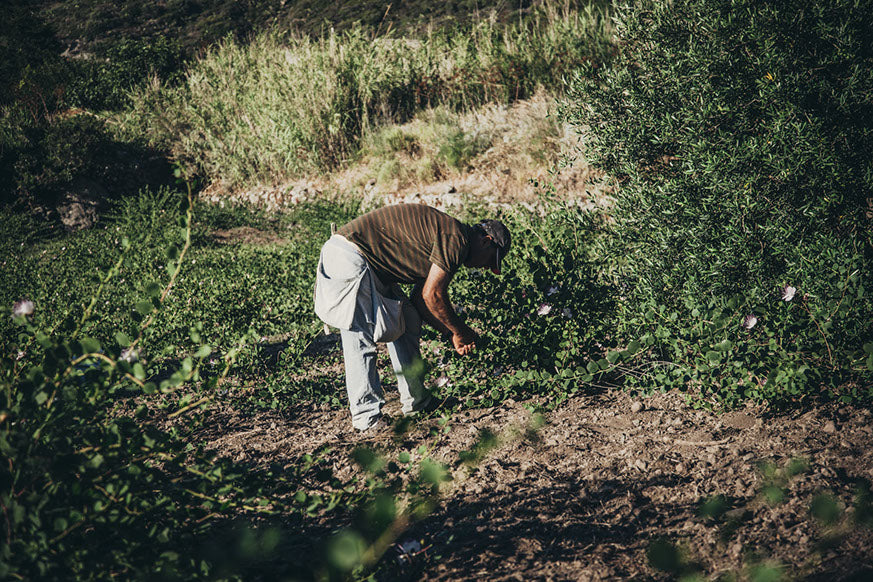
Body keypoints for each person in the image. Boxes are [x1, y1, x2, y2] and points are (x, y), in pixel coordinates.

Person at [314, 203, 511, 432]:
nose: (487, 267)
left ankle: (417, 402)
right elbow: (433, 295)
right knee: (360, 337)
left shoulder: (450, 240)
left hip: (371, 268)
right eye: (490, 260)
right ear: (485, 241)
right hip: (350, 256)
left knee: (408, 318)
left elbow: (421, 300)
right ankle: (366, 418)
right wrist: (460, 331)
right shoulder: (456, 239)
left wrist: (450, 333)